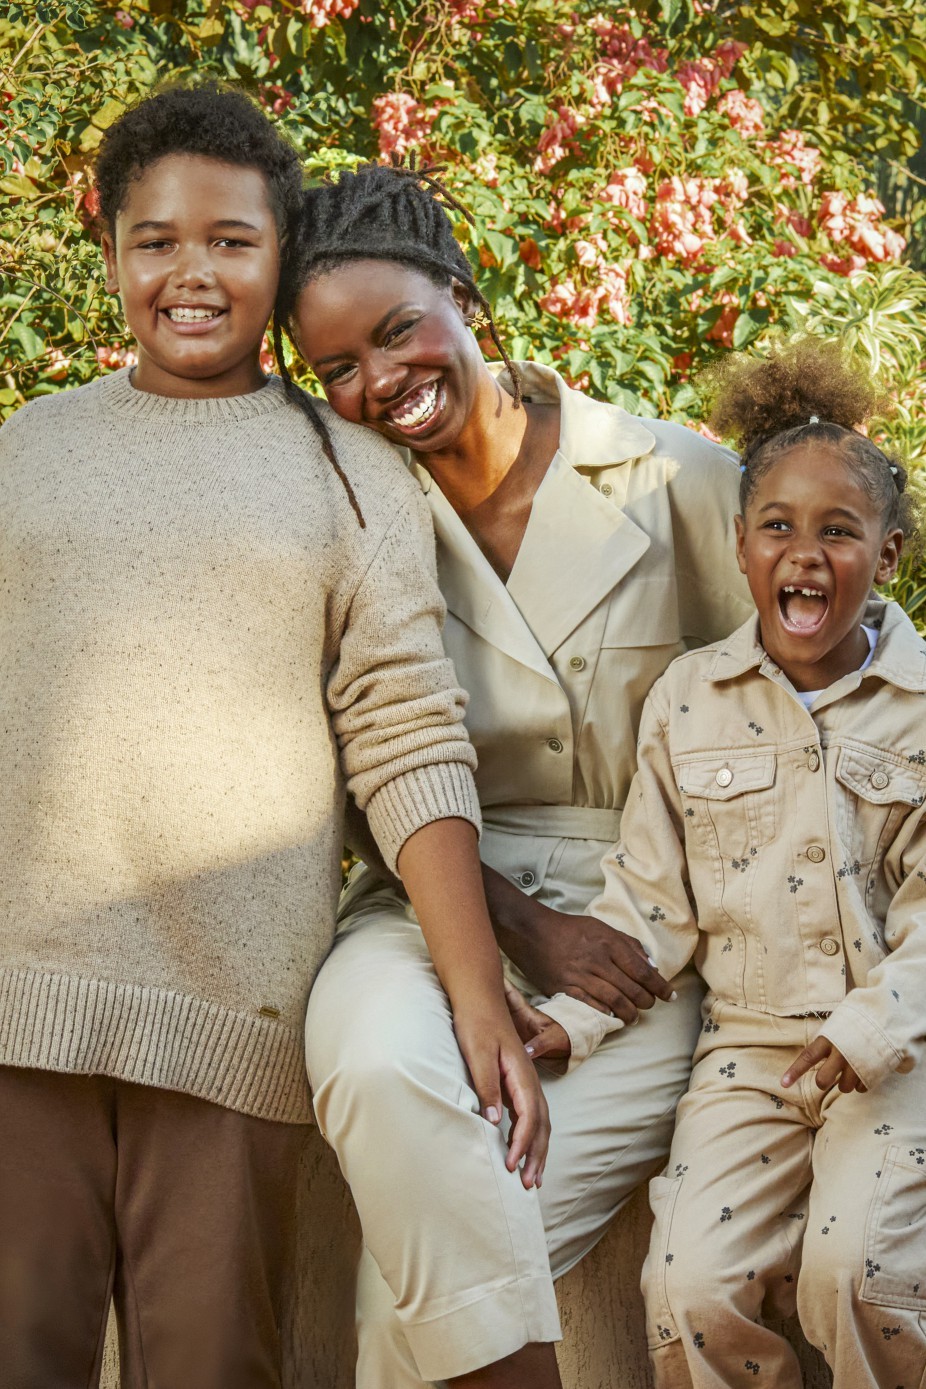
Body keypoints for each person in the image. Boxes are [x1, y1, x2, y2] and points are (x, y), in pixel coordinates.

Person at [0, 88, 549, 1389]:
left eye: (232, 241)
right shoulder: (30, 448)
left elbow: (408, 740)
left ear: (279, 253)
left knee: (209, 1361)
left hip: (229, 1017)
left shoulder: (349, 475)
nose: (192, 273)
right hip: (19, 1004)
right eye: (156, 240)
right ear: (112, 247)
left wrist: (477, 995)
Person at [273, 159, 753, 1388]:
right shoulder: (343, 521)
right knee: (374, 1061)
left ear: (462, 295)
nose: (379, 384)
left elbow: (804, 699)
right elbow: (349, 768)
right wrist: (513, 923)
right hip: (430, 890)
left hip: (642, 930)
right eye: (335, 370)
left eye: (396, 333)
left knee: (430, 1284)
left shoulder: (675, 479)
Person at [586, 337, 926, 1387]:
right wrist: (562, 1018)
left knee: (855, 1269)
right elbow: (648, 901)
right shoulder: (687, 699)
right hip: (747, 1055)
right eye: (776, 528)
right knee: (685, 1288)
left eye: (837, 532)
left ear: (890, 552)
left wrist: (872, 1026)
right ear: (739, 547)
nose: (804, 555)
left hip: (897, 1043)